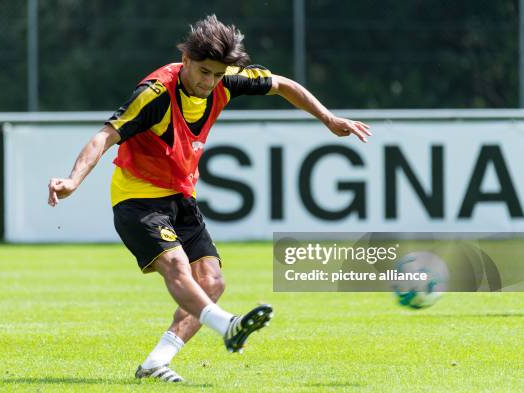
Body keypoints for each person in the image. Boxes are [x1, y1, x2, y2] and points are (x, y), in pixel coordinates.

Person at [47, 14, 371, 383]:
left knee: (212, 282)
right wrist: (73, 181)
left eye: (217, 75)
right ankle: (228, 325)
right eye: (203, 71)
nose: (209, 82)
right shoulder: (155, 94)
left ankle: (155, 363)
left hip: (181, 196)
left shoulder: (226, 79)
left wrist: (328, 119)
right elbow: (105, 136)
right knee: (176, 266)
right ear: (185, 60)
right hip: (137, 198)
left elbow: (281, 84)